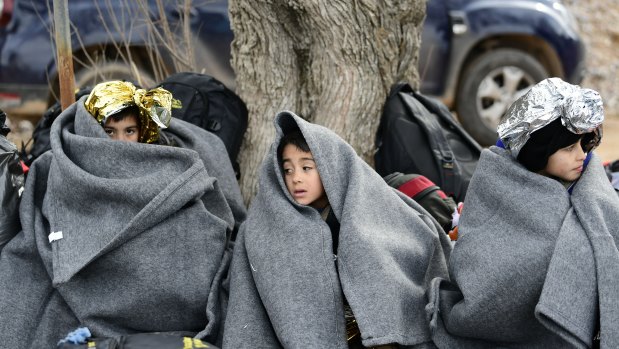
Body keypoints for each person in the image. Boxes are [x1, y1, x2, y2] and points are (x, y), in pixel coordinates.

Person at [0, 80, 242, 347]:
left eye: (130, 130)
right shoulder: (62, 165)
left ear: (144, 130)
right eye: (109, 131)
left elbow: (207, 222)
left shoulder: (167, 159)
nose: (121, 141)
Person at [223, 111, 452, 348]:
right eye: (288, 169)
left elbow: (394, 269)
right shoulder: (265, 227)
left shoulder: (368, 208)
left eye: (307, 167)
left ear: (329, 165)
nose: (296, 179)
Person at [426, 78, 619, 348]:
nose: (581, 156)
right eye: (568, 148)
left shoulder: (585, 176)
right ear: (538, 150)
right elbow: (485, 257)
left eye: (583, 145)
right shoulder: (499, 178)